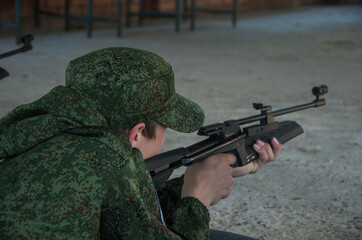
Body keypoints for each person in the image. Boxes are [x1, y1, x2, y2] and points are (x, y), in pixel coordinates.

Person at [0, 47, 282, 239]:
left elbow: (123, 209)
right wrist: (197, 199)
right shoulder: (113, 160)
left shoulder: (38, 130)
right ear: (136, 133)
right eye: (165, 126)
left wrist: (201, 179)